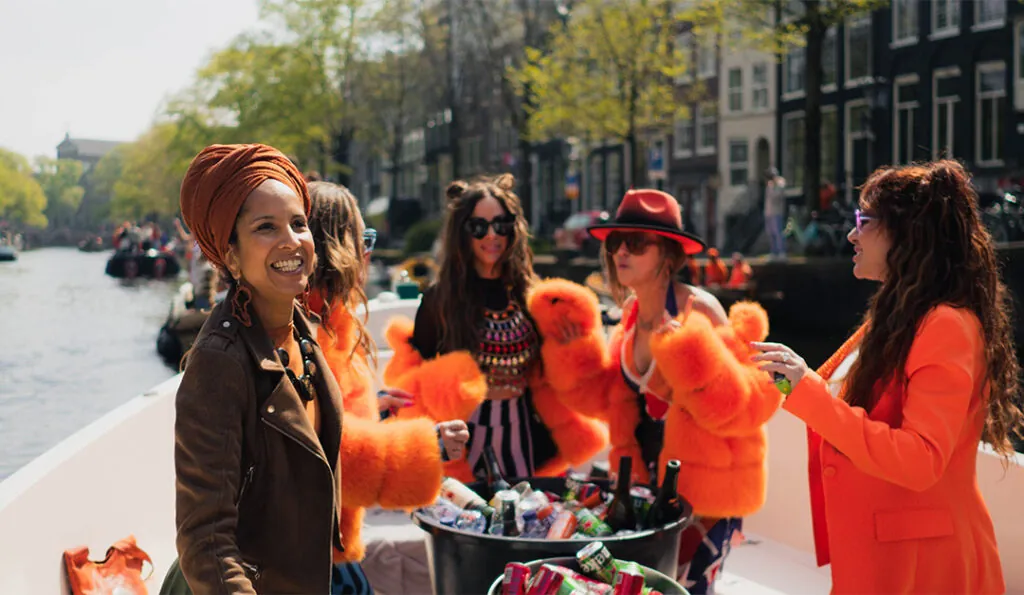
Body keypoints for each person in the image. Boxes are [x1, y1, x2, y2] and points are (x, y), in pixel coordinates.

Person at [753, 160, 1023, 594]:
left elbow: (920, 460)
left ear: (907, 233)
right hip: (886, 556)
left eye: (864, 220)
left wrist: (808, 391)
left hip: (925, 567)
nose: (851, 234)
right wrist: (792, 380)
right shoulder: (899, 314)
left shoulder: (945, 324)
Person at [560, 188, 780, 593]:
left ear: (668, 253)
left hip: (707, 493)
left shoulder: (701, 311)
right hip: (650, 487)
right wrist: (573, 351)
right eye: (615, 242)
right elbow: (615, 399)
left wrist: (691, 358)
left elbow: (745, 402)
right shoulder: (628, 314)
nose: (621, 252)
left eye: (637, 243)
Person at [173, 143, 345, 594]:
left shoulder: (299, 328)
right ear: (230, 256)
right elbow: (205, 539)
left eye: (299, 223)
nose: (291, 241)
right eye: (265, 227)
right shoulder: (218, 362)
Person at [383, 173, 608, 482]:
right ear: (462, 233)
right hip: (465, 436)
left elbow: (560, 375)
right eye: (479, 227)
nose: (492, 236)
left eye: (501, 224)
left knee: (528, 520)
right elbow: (413, 373)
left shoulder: (532, 294)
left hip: (526, 430)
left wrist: (571, 349)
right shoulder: (442, 299)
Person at [305, 181, 470, 594]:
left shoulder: (329, 323)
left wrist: (372, 410)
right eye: (364, 239)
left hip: (325, 544)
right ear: (338, 247)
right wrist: (426, 444)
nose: (369, 252)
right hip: (308, 558)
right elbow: (325, 451)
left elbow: (323, 416)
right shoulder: (308, 332)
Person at [764, 167, 787, 259]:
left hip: (777, 212)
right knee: (771, 233)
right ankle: (774, 252)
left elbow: (777, 196)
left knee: (778, 233)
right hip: (768, 212)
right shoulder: (769, 185)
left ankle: (781, 252)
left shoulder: (780, 183)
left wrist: (774, 185)